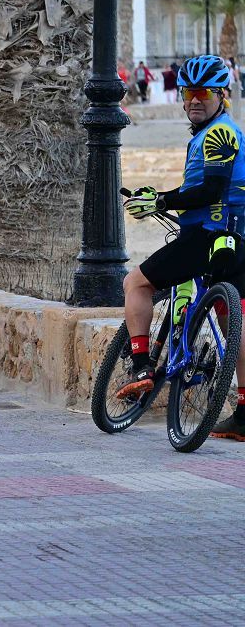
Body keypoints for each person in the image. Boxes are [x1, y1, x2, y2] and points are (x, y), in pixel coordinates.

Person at [118, 55, 245, 442]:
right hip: (236, 237)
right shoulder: (214, 132)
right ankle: (243, 411)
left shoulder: (220, 134)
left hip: (209, 237)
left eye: (203, 92)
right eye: (187, 92)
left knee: (136, 283)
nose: (193, 99)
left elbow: (209, 190)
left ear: (222, 95)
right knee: (232, 317)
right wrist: (165, 199)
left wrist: (160, 200)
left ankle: (141, 365)